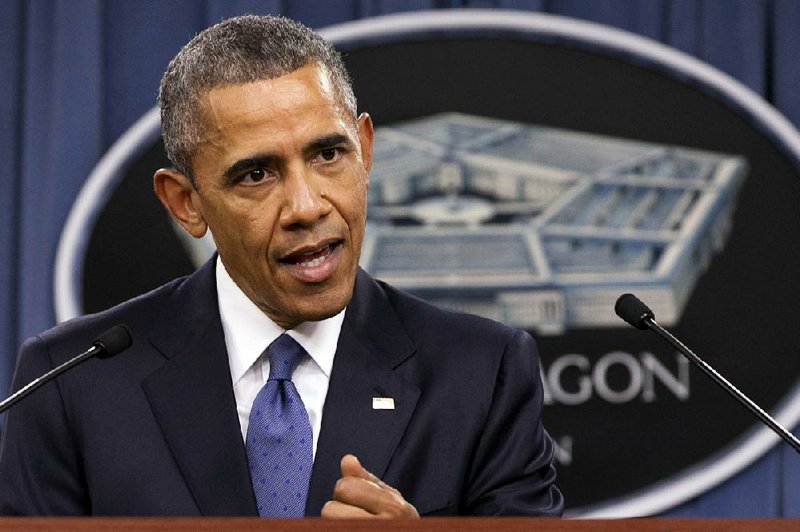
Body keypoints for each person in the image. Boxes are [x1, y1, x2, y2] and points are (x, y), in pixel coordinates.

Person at [0, 15, 563, 517]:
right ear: (185, 203)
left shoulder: (481, 372)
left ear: (365, 151)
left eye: (327, 155)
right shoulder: (72, 383)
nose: (307, 206)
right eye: (255, 175)